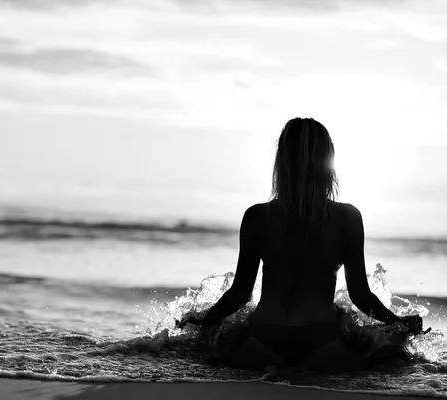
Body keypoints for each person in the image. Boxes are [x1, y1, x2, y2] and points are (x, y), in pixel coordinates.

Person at [177, 117, 424, 372]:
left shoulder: (257, 217)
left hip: (262, 340)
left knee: (209, 344)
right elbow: (360, 295)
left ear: (281, 162)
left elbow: (240, 293)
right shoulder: (348, 218)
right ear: (329, 163)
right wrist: (397, 323)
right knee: (389, 351)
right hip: (322, 342)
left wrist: (203, 322)